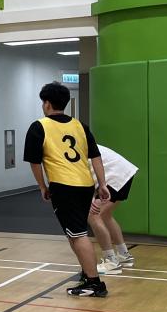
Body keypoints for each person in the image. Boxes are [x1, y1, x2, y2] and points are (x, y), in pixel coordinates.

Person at [23, 81, 111, 298]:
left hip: (64, 186)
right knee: (74, 233)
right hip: (85, 185)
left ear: (46, 103)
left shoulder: (39, 126)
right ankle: (87, 276)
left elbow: (34, 162)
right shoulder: (80, 125)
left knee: (78, 234)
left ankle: (95, 283)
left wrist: (42, 186)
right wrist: (102, 184)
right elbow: (95, 156)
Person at [90, 144, 138, 275]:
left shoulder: (76, 147)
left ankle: (111, 262)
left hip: (115, 175)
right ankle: (124, 255)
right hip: (123, 172)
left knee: (94, 215)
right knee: (105, 215)